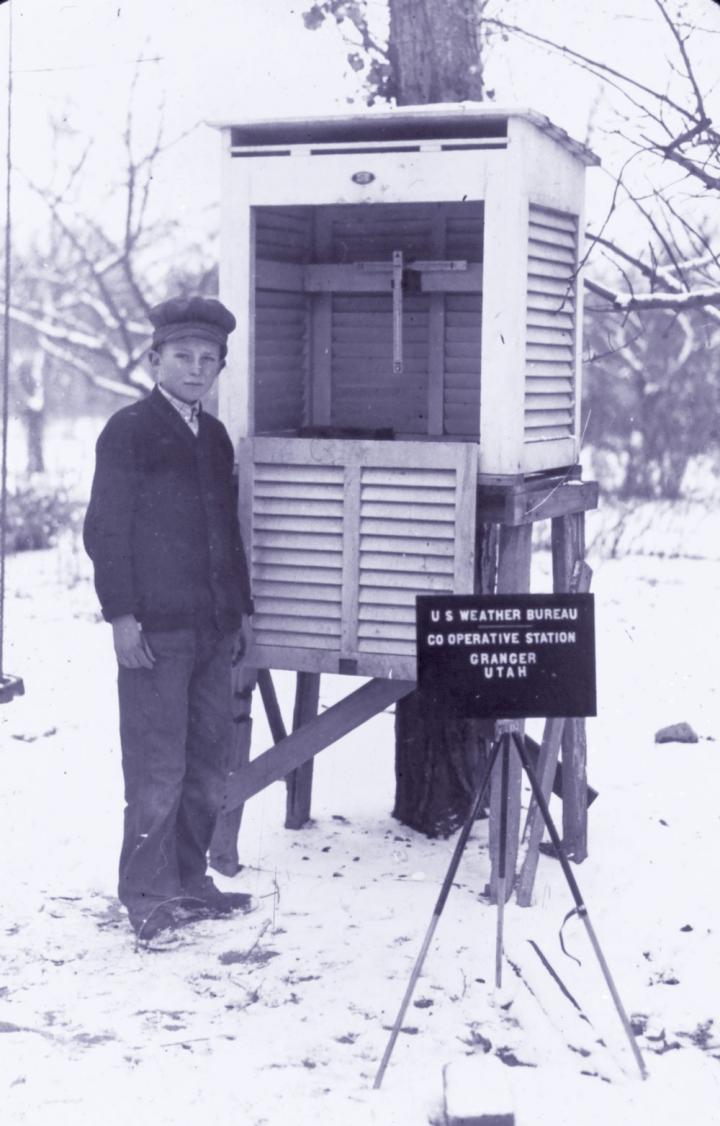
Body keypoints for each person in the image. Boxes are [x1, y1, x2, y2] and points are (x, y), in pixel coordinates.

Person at [84, 295, 255, 941]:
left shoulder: (211, 436)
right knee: (158, 769)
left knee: (209, 763)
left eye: (209, 359)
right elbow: (104, 529)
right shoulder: (129, 430)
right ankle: (147, 893)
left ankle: (190, 880)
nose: (196, 368)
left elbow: (225, 534)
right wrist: (122, 616)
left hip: (213, 628)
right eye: (182, 356)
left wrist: (237, 614)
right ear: (154, 359)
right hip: (154, 632)